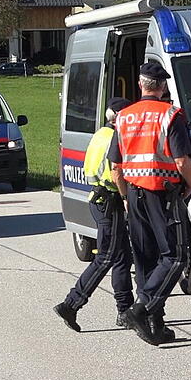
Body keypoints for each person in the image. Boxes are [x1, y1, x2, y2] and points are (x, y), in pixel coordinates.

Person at [109, 62, 191, 346]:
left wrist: (124, 196)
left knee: (145, 259)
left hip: (134, 193)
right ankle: (141, 310)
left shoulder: (123, 117)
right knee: (174, 257)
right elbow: (182, 160)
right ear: (162, 87)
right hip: (163, 193)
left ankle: (154, 325)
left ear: (140, 84)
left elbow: (115, 165)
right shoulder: (170, 115)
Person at [54, 98, 135, 332]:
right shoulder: (114, 138)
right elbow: (116, 173)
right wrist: (127, 197)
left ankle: (124, 310)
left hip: (100, 200)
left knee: (121, 257)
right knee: (107, 257)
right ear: (119, 116)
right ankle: (71, 303)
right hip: (111, 200)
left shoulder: (100, 134)